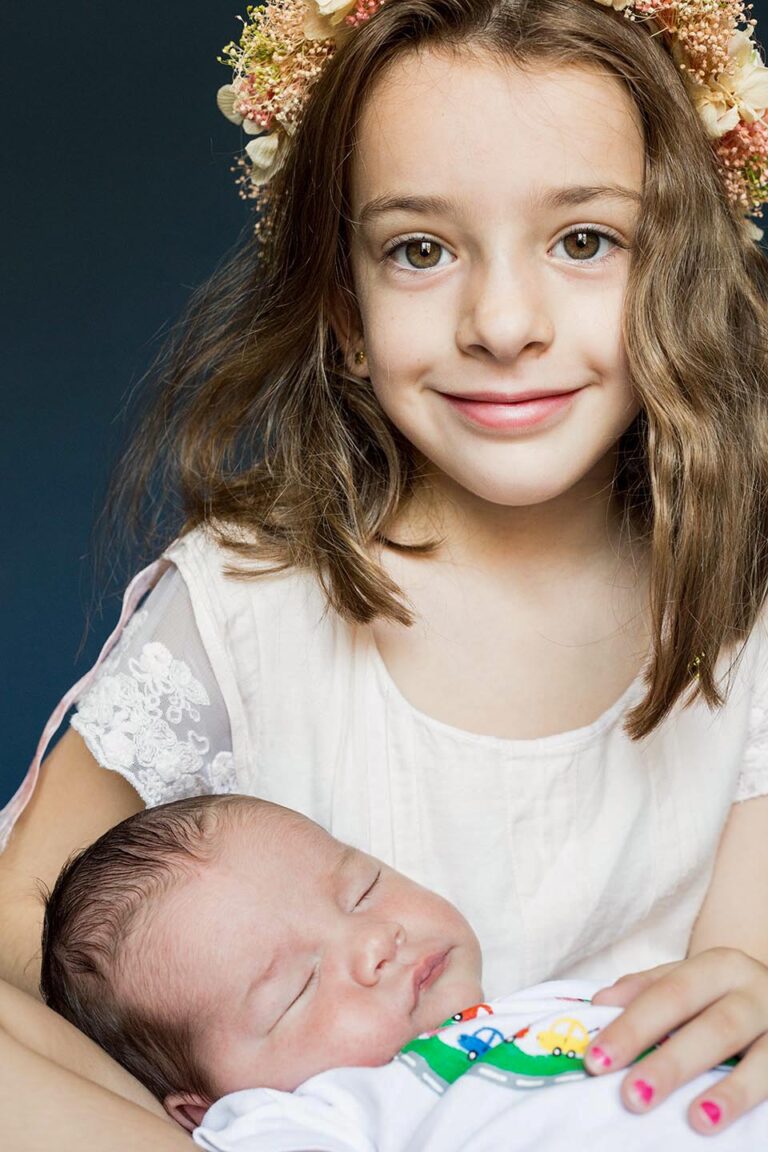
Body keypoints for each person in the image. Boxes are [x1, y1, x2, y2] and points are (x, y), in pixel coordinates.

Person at [2, 0, 768, 1145]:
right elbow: (22, 960)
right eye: (421, 249)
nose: (503, 323)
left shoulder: (747, 602)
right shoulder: (241, 611)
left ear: (686, 271)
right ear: (344, 312)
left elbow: (742, 965)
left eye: (584, 240)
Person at [39, 794, 768, 1150]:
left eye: (361, 888)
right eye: (296, 987)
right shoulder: (304, 1117)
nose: (375, 941)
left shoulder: (548, 1008)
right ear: (202, 1110)